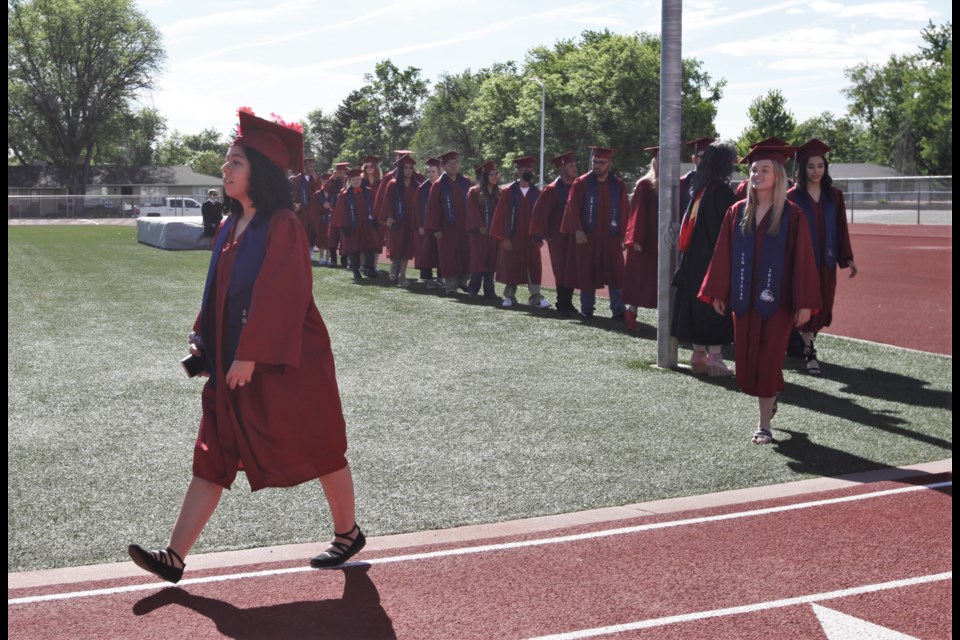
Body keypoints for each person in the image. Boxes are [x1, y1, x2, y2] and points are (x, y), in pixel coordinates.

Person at [127, 108, 364, 584]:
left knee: (318, 444)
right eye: (227, 161)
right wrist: (203, 339)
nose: (226, 169)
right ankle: (174, 556)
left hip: (286, 362)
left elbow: (286, 293)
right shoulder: (229, 225)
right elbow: (218, 291)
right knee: (213, 452)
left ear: (261, 169)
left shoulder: (283, 225)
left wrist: (251, 353)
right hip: (232, 360)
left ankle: (348, 531)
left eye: (235, 161)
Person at [698, 144, 821, 445]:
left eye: (764, 169)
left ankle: (763, 424)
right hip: (744, 300)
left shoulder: (792, 216)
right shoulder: (737, 212)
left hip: (778, 305)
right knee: (749, 362)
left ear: (777, 175)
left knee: (767, 360)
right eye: (753, 169)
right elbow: (723, 255)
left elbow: (803, 260)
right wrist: (718, 291)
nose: (756, 174)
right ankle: (771, 395)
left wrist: (804, 303)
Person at [787, 138, 858, 374]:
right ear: (802, 168)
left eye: (820, 165)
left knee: (823, 306)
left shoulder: (834, 196)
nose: (816, 171)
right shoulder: (792, 197)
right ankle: (809, 351)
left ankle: (805, 342)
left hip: (826, 262)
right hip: (803, 263)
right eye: (811, 166)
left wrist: (847, 258)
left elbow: (841, 227)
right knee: (805, 304)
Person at [671, 141, 737, 374]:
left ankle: (698, 355)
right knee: (714, 307)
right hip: (713, 260)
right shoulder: (721, 192)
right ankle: (715, 358)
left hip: (693, 260)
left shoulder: (700, 190)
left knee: (696, 307)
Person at [560, 146, 628, 320]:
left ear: (609, 164)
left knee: (617, 273)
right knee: (586, 271)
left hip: (610, 237)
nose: (597, 165)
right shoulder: (581, 183)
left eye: (601, 163)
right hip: (588, 236)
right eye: (595, 162)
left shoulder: (617, 184)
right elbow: (572, 207)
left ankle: (618, 309)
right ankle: (587, 309)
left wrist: (622, 234)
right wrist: (577, 230)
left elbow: (624, 210)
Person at [492, 156, 550, 308]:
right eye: (525, 170)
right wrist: (504, 238)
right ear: (518, 172)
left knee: (534, 265)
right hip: (513, 236)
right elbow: (501, 216)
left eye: (531, 171)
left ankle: (536, 297)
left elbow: (541, 216)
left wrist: (540, 234)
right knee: (512, 264)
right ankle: (509, 296)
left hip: (531, 237)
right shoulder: (508, 192)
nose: (529, 173)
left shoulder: (537, 192)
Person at [531, 151, 579, 315]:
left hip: (576, 235)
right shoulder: (551, 190)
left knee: (573, 269)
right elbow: (540, 213)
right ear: (562, 168)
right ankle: (562, 303)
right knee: (561, 269)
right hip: (558, 237)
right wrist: (540, 235)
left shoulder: (578, 186)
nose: (575, 168)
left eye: (574, 165)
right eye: (571, 166)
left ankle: (568, 303)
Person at [621, 146, 660, 330]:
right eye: (659, 158)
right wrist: (636, 239)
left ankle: (667, 322)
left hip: (666, 241)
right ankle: (631, 312)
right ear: (654, 161)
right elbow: (636, 213)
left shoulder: (677, 184)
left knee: (663, 282)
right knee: (640, 278)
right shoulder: (645, 184)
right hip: (646, 241)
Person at [425, 150, 473, 296]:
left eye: (455, 163)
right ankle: (451, 286)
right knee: (449, 256)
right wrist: (436, 228)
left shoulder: (466, 182)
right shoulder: (439, 185)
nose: (453, 166)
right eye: (450, 163)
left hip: (465, 226)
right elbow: (433, 208)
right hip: (447, 229)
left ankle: (463, 281)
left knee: (467, 255)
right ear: (444, 167)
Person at [377, 154, 420, 287]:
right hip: (396, 221)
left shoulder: (416, 185)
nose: (408, 170)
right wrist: (389, 217)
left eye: (410, 168)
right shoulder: (393, 184)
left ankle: (402, 275)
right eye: (405, 167)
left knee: (407, 249)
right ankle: (394, 268)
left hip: (410, 221)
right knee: (396, 247)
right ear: (400, 169)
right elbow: (387, 201)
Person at [331, 167, 382, 281]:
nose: (356, 181)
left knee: (371, 245)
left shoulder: (368, 192)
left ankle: (369, 268)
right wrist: (343, 226)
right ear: (349, 181)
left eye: (358, 179)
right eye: (354, 179)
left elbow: (375, 206)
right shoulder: (344, 195)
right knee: (353, 248)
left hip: (367, 225)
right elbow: (340, 211)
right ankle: (355, 271)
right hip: (352, 226)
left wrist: (376, 220)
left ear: (361, 179)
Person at [464, 160, 501, 299]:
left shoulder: (498, 193)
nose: (494, 176)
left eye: (496, 174)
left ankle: (489, 291)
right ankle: (473, 289)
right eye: (491, 174)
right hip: (478, 233)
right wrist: (480, 225)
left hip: (493, 232)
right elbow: (471, 211)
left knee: (491, 260)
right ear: (485, 177)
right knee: (478, 260)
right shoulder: (474, 192)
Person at [414, 157, 443, 289]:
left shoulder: (444, 186)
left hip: (441, 226)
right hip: (426, 226)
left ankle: (441, 277)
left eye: (433, 171)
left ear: (439, 171)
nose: (431, 174)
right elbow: (418, 208)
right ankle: (428, 278)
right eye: (429, 172)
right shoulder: (422, 188)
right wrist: (420, 224)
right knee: (426, 251)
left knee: (441, 251)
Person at [679, 137, 715, 219]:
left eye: (710, 156)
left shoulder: (718, 184)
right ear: (694, 159)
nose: (707, 160)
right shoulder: (683, 182)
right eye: (702, 157)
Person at [292, 158, 318, 262]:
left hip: (312, 208)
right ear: (304, 166)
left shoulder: (314, 178)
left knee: (312, 229)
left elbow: (319, 188)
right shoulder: (297, 178)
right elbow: (293, 192)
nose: (311, 168)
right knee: (302, 229)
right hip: (301, 208)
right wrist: (295, 203)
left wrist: (314, 174)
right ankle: (300, 251)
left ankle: (310, 251)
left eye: (313, 166)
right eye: (310, 166)